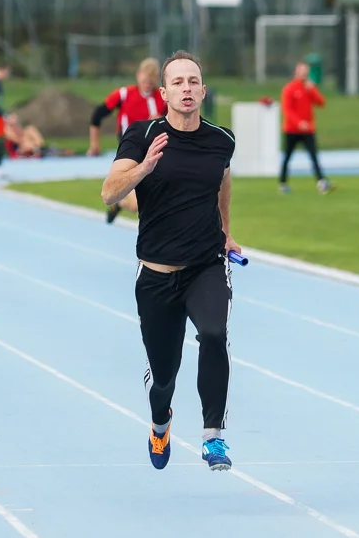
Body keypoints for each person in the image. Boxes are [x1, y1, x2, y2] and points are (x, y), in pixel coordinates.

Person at [100, 50, 239, 472]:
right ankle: (161, 423)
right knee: (164, 378)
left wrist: (227, 231)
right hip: (157, 274)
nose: (186, 89)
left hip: (206, 265)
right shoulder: (141, 135)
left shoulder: (221, 140)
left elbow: (223, 180)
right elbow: (109, 192)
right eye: (177, 82)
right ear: (163, 92)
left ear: (203, 90)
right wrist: (144, 168)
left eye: (193, 81)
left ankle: (213, 437)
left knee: (214, 334)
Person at [89, 57, 166, 223]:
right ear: (138, 75)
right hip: (129, 152)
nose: (147, 84)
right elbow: (97, 115)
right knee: (138, 205)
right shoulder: (124, 94)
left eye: (151, 81)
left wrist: (161, 119)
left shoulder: (161, 97)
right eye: (144, 80)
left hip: (153, 152)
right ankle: (122, 202)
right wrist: (95, 145)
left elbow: (175, 122)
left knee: (158, 199)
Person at [278, 62, 333, 194]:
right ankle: (283, 182)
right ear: (296, 73)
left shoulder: (308, 88)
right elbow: (287, 110)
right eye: (301, 71)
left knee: (314, 156)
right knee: (287, 157)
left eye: (306, 71)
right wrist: (298, 123)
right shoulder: (289, 89)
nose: (304, 74)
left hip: (308, 130)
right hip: (292, 130)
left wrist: (312, 90)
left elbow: (321, 103)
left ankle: (321, 181)